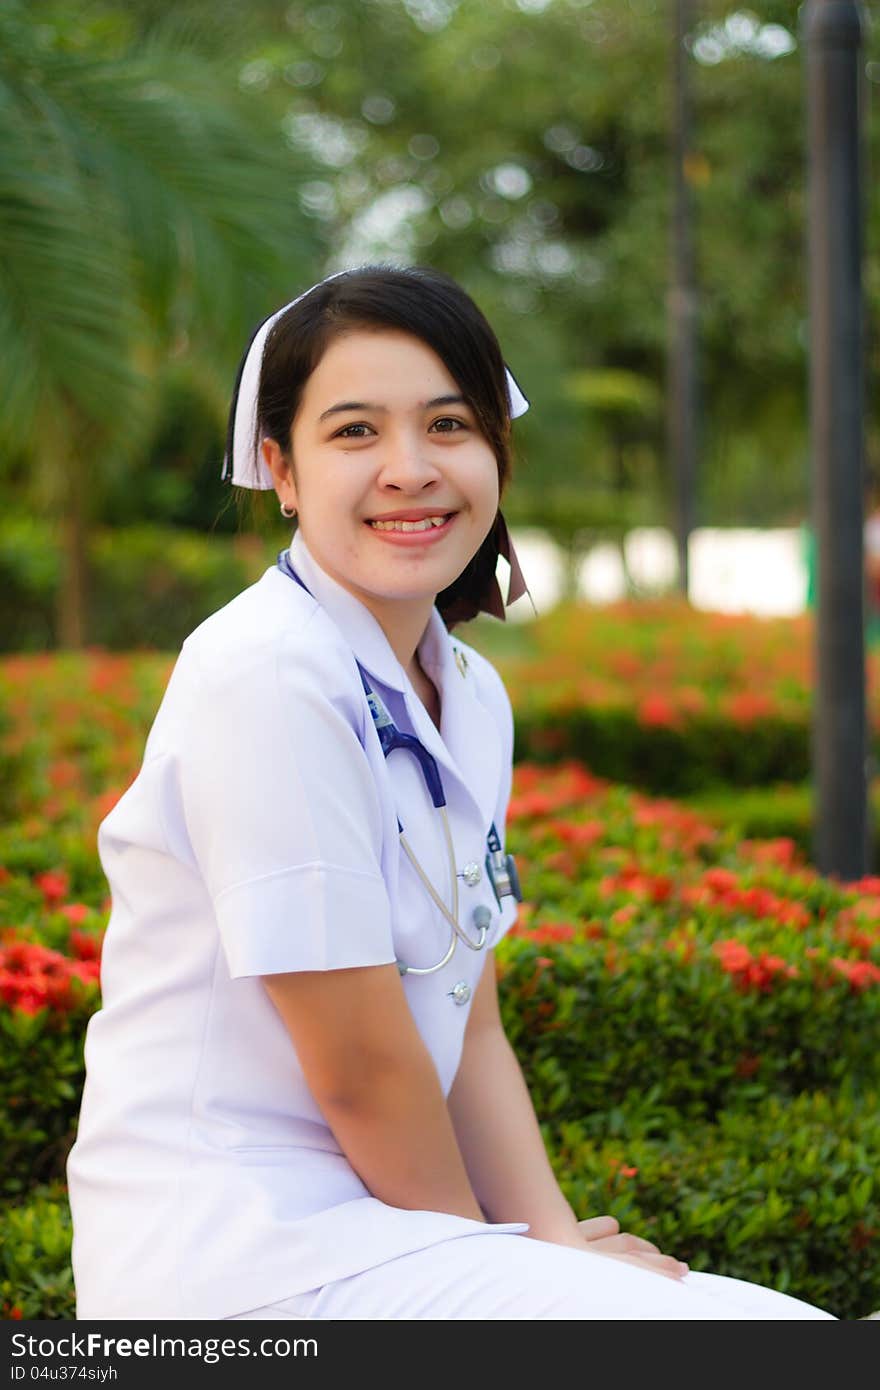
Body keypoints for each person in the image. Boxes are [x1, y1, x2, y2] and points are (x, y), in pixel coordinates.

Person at [66, 266, 834, 1320]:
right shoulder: (264, 674)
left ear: (496, 453)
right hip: (242, 1258)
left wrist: (551, 1236)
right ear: (280, 471)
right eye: (354, 434)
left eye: (448, 424)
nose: (410, 468)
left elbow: (467, 1021)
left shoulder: (467, 693)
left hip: (380, 1232)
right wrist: (516, 1264)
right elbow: (360, 1068)